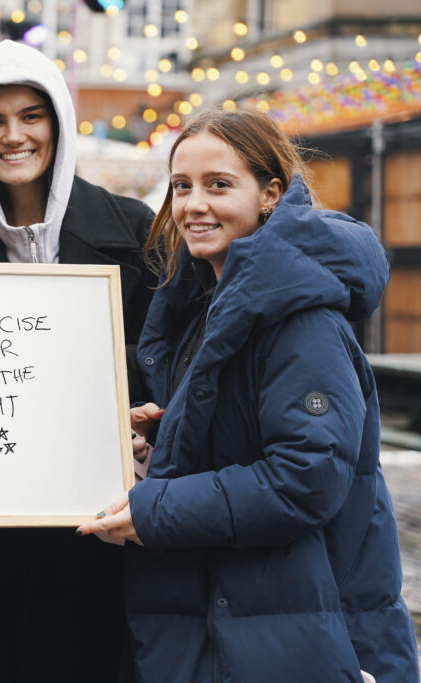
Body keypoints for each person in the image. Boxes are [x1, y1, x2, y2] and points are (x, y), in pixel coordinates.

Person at [79, 107, 420, 682]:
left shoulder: (300, 318)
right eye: (181, 186)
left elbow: (306, 474)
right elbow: (251, 433)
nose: (194, 205)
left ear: (270, 194)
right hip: (231, 626)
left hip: (288, 638)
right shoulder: (208, 305)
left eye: (219, 185)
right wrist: (161, 440)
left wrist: (155, 509)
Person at [0, 39, 157, 682]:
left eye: (32, 115)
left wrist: (77, 372)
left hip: (101, 526)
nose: (13, 136)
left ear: (58, 122)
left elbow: (169, 361)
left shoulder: (135, 229)